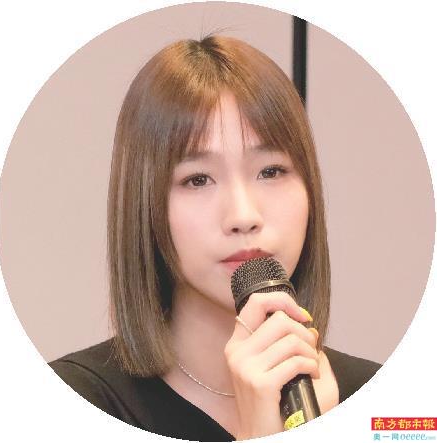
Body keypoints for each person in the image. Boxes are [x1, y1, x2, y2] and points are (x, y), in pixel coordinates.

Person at [49, 35, 381, 441]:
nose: (243, 216)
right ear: (146, 205)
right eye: (198, 179)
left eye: (271, 171)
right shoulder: (72, 405)